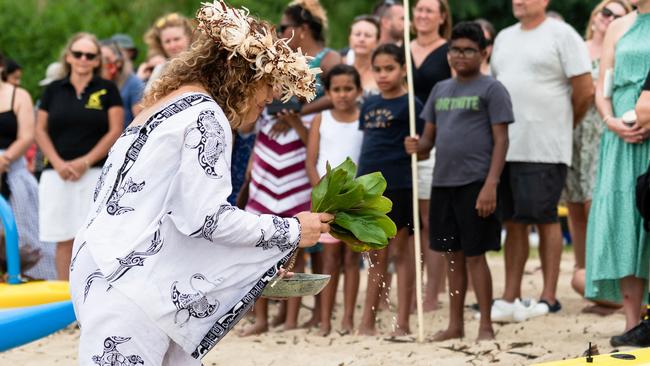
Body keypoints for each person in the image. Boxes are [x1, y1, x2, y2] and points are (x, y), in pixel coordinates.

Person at [70, 2, 331, 364]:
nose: (271, 96)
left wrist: (257, 261)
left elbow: (172, 216)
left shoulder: (166, 105)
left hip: (105, 267)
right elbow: (204, 219)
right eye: (269, 83)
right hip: (135, 288)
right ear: (242, 74)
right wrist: (290, 230)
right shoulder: (206, 117)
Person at [405, 21, 513, 341]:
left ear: (483, 53)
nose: (460, 55)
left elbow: (502, 141)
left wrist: (491, 184)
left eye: (468, 50)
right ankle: (455, 325)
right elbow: (427, 144)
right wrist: (416, 147)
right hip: (443, 183)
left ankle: (485, 325)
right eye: (455, 49)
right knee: (452, 255)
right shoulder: (440, 90)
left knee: (475, 255)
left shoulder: (492, 89)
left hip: (476, 183)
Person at [490, 0, 593, 322]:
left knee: (544, 215)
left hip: (545, 147)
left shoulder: (562, 34)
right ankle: (511, 295)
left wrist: (562, 123)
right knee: (513, 220)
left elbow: (585, 90)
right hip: (506, 146)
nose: (518, 1)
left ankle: (549, 296)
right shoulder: (504, 37)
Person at [586, 0, 650, 346]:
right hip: (622, 135)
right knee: (624, 219)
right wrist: (611, 121)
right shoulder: (619, 26)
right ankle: (631, 320)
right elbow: (602, 87)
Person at [35, 33, 124, 281]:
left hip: (95, 171)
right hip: (56, 172)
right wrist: (58, 163)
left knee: (93, 238)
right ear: (68, 57)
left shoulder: (107, 89)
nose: (83, 59)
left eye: (90, 55)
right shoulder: (53, 89)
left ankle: (92, 302)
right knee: (63, 239)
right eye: (78, 54)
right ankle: (66, 302)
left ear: (97, 61)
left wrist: (85, 162)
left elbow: (115, 130)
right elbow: (39, 129)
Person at [566, 0, 631, 315]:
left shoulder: (624, 47)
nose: (608, 19)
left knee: (595, 206)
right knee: (575, 207)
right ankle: (585, 274)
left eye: (617, 15)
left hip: (602, 133)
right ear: (594, 16)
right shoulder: (576, 47)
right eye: (605, 12)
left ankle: (605, 279)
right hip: (574, 132)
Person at [358, 44, 423, 336]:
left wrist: (417, 148)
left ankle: (404, 322)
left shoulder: (412, 105)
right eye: (378, 69)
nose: (383, 75)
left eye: (390, 69)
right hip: (368, 186)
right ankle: (367, 322)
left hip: (399, 184)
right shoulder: (369, 104)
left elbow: (423, 149)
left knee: (401, 253)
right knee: (375, 255)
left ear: (403, 69)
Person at [305, 64, 364, 336]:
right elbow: (311, 161)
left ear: (359, 90)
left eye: (348, 89)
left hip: (356, 202)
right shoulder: (321, 119)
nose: (342, 95)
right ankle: (326, 320)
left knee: (352, 261)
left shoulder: (364, 119)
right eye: (336, 90)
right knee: (329, 261)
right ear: (327, 92)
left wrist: (354, 198)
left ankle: (348, 318)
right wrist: (325, 196)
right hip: (326, 204)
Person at [411, 0, 453, 312]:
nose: (422, 15)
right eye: (419, 9)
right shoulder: (401, 47)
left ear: (442, 17)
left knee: (430, 219)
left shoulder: (450, 51)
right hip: (404, 140)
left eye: (429, 10)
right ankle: (410, 292)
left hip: (436, 139)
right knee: (407, 222)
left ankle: (431, 294)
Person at [0, 52, 56, 280]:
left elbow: (26, 136)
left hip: (13, 175)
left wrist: (4, 161)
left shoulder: (18, 95)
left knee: (27, 237)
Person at [142, 12, 193, 91]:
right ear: (161, 44)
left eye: (177, 39)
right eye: (167, 41)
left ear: (189, 37)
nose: (172, 46)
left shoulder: (203, 61)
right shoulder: (158, 67)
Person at [101, 40, 145, 127]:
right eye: (98, 59)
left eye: (106, 59)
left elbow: (141, 120)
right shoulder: (92, 84)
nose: (102, 63)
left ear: (118, 62)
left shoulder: (133, 83)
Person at [345, 15, 380, 97]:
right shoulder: (340, 65)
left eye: (368, 35)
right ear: (350, 39)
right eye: (357, 34)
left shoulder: (383, 72)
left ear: (377, 42)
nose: (361, 39)